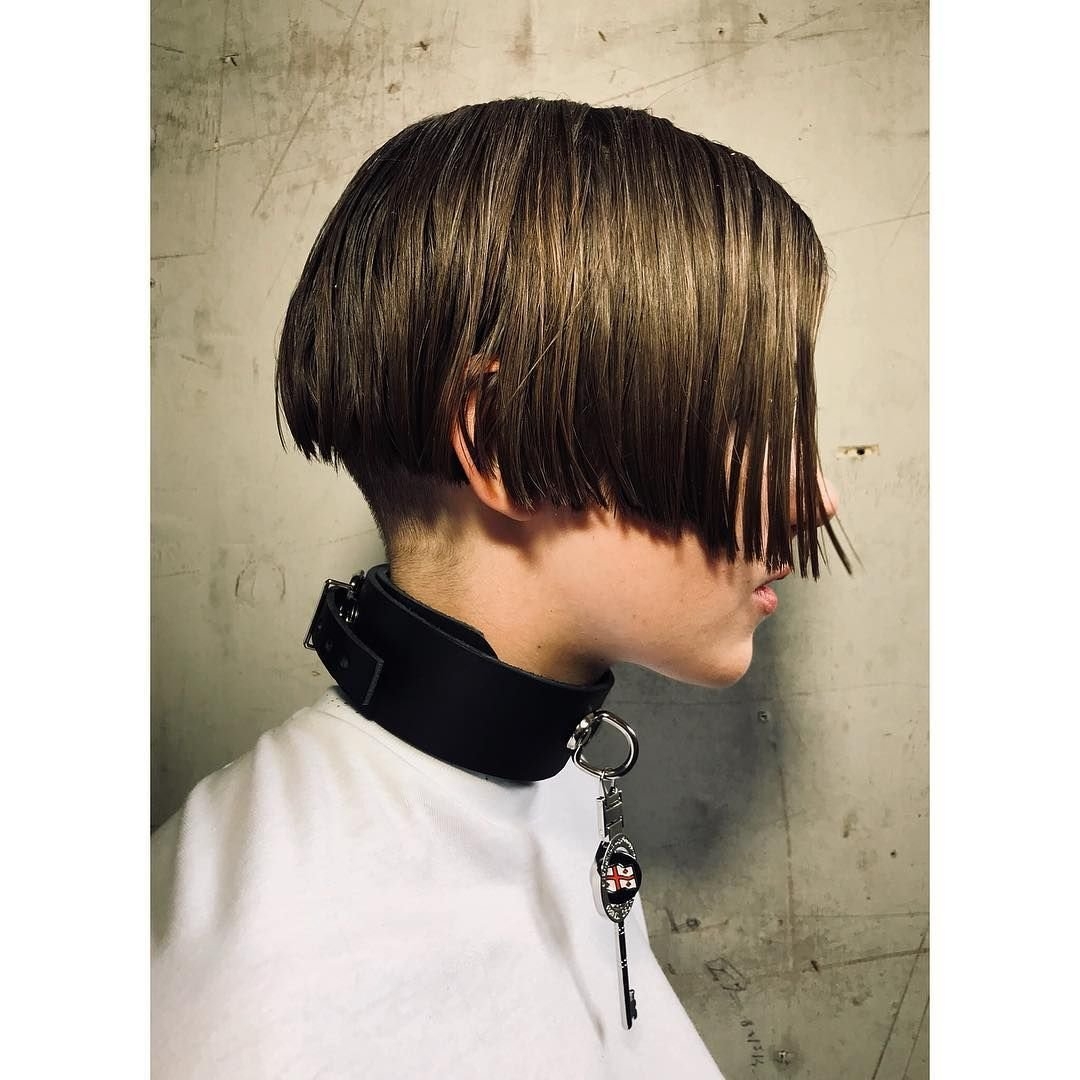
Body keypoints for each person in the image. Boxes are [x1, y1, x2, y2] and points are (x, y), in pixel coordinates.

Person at [151, 96, 850, 1078]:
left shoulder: (549, 786)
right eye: (754, 422)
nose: (816, 497)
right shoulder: (268, 1010)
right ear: (503, 440)